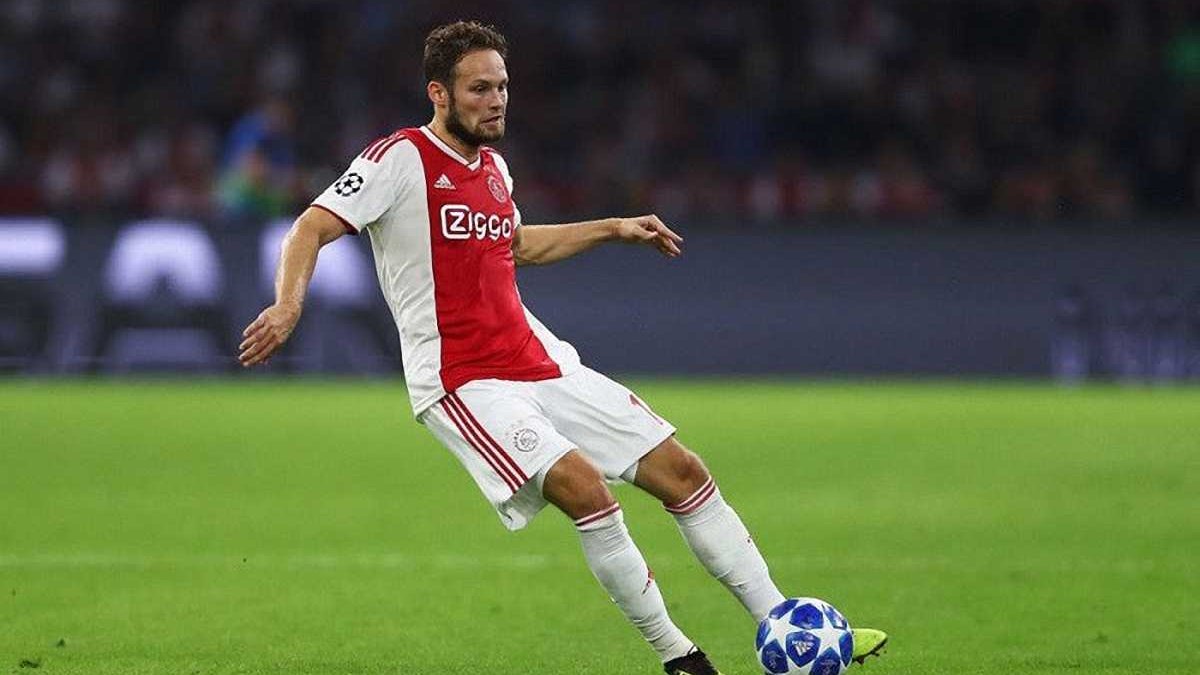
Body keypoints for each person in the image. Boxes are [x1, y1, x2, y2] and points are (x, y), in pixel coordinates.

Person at [238, 21, 888, 675]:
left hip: (539, 359)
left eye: (502, 86)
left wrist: (614, 227)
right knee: (585, 489)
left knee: (683, 471)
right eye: (479, 88)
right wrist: (289, 303)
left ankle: (788, 624)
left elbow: (518, 245)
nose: (496, 100)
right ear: (439, 93)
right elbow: (310, 226)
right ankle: (681, 658)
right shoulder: (399, 157)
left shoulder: (494, 168)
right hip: (463, 380)